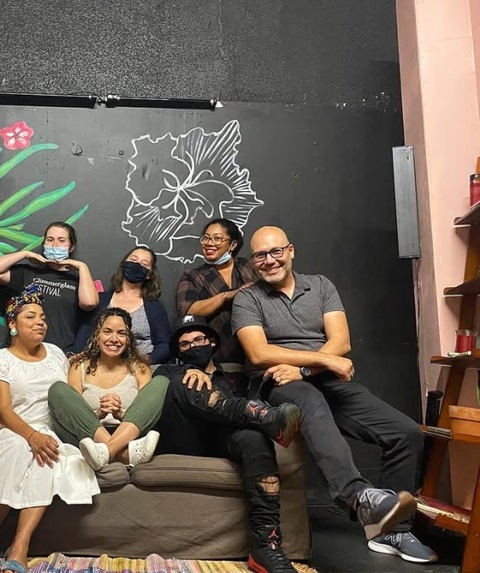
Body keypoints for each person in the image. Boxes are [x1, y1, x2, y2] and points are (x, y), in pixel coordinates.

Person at [232, 225, 436, 564]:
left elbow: (341, 342)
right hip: (277, 384)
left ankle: (392, 531)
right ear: (252, 261)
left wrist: (307, 369)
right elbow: (259, 354)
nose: (269, 261)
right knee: (310, 401)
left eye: (276, 252)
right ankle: (358, 496)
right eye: (260, 256)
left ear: (291, 250)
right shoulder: (247, 298)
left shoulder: (321, 285)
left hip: (320, 377)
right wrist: (320, 362)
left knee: (405, 432)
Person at [0, 287, 99, 573]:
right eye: (31, 317)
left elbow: (69, 396)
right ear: (12, 325)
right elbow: (4, 411)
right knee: (17, 447)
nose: (41, 322)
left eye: (43, 317)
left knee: (47, 452)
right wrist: (32, 436)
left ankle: (20, 544)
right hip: (6, 429)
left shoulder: (56, 355)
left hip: (48, 430)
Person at [154, 315, 303, 573]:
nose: (193, 346)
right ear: (178, 351)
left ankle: (265, 546)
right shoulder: (169, 371)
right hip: (185, 440)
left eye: (198, 339)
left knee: (254, 438)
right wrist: (186, 371)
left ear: (211, 342)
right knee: (180, 382)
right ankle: (265, 416)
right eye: (185, 344)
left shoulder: (237, 379)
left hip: (223, 441)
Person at [48, 307, 169, 470]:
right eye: (107, 331)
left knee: (161, 381)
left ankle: (107, 452)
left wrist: (120, 414)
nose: (114, 339)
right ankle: (122, 455)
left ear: (128, 339)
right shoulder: (79, 367)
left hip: (130, 437)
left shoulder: (140, 368)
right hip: (88, 440)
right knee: (58, 389)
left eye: (121, 333)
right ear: (97, 335)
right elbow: (73, 414)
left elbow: (146, 412)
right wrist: (99, 413)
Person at [0, 221, 98, 354]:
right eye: (50, 240)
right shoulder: (27, 272)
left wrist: (82, 266)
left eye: (61, 240)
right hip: (22, 351)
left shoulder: (79, 280)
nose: (55, 245)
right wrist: (25, 254)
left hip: (59, 353)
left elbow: (89, 303)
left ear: (71, 247)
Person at [176, 218, 256, 372]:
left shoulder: (249, 268)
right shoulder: (193, 276)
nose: (209, 243)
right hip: (215, 358)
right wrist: (227, 296)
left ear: (233, 244)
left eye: (217, 238)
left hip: (254, 352)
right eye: (206, 238)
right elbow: (186, 310)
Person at [72, 247, 171, 364]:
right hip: (100, 365)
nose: (137, 265)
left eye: (144, 264)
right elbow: (85, 331)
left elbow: (164, 344)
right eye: (133, 260)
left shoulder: (154, 308)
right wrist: (76, 357)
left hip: (140, 367)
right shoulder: (101, 300)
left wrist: (145, 360)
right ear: (124, 264)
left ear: (149, 274)